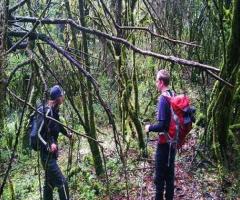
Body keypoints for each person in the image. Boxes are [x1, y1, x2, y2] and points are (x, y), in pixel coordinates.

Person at [145, 69, 176, 200]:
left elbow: (162, 125)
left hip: (164, 145)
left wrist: (149, 127)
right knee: (169, 177)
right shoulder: (172, 94)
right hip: (173, 142)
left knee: (159, 178)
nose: (156, 83)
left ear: (161, 82)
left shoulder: (164, 99)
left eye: (157, 81)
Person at [39, 85, 72, 200]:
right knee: (62, 183)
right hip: (46, 156)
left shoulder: (54, 111)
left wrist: (67, 134)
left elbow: (56, 125)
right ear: (58, 97)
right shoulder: (48, 111)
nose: (63, 97)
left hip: (50, 155)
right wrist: (49, 144)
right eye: (62, 95)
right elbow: (39, 133)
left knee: (49, 185)